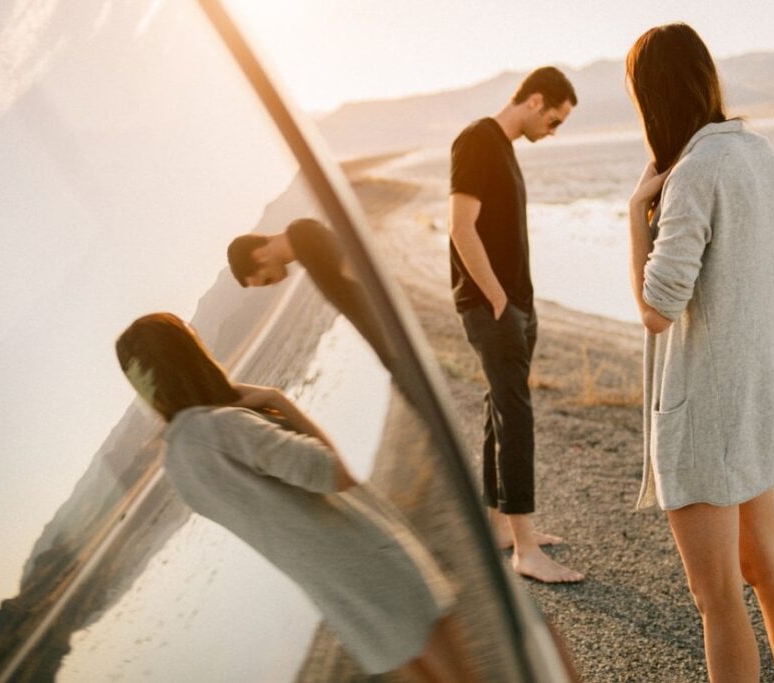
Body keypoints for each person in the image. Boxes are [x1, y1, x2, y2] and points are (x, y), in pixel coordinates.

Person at [115, 312, 472, 681]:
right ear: (187, 356)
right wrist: (278, 400)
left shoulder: (176, 464)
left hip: (335, 594)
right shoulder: (221, 427)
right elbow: (337, 473)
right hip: (371, 564)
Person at [625, 24, 774, 682]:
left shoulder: (694, 173)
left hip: (707, 412)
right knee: (768, 568)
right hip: (754, 394)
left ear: (650, 96)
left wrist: (634, 215)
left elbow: (657, 308)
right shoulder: (757, 154)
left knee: (716, 598)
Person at [449, 66, 583, 583]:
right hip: (492, 307)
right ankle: (527, 552)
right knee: (515, 415)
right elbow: (462, 228)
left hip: (511, 307)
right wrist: (500, 301)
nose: (553, 131)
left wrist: (518, 304)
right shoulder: (477, 140)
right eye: (554, 119)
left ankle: (500, 528)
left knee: (498, 413)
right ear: (533, 101)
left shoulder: (502, 147)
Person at [227, 218, 394, 371]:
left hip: (395, 338)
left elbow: (357, 272)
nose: (272, 285)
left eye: (267, 280)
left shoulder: (304, 234)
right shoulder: (302, 247)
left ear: (260, 256)